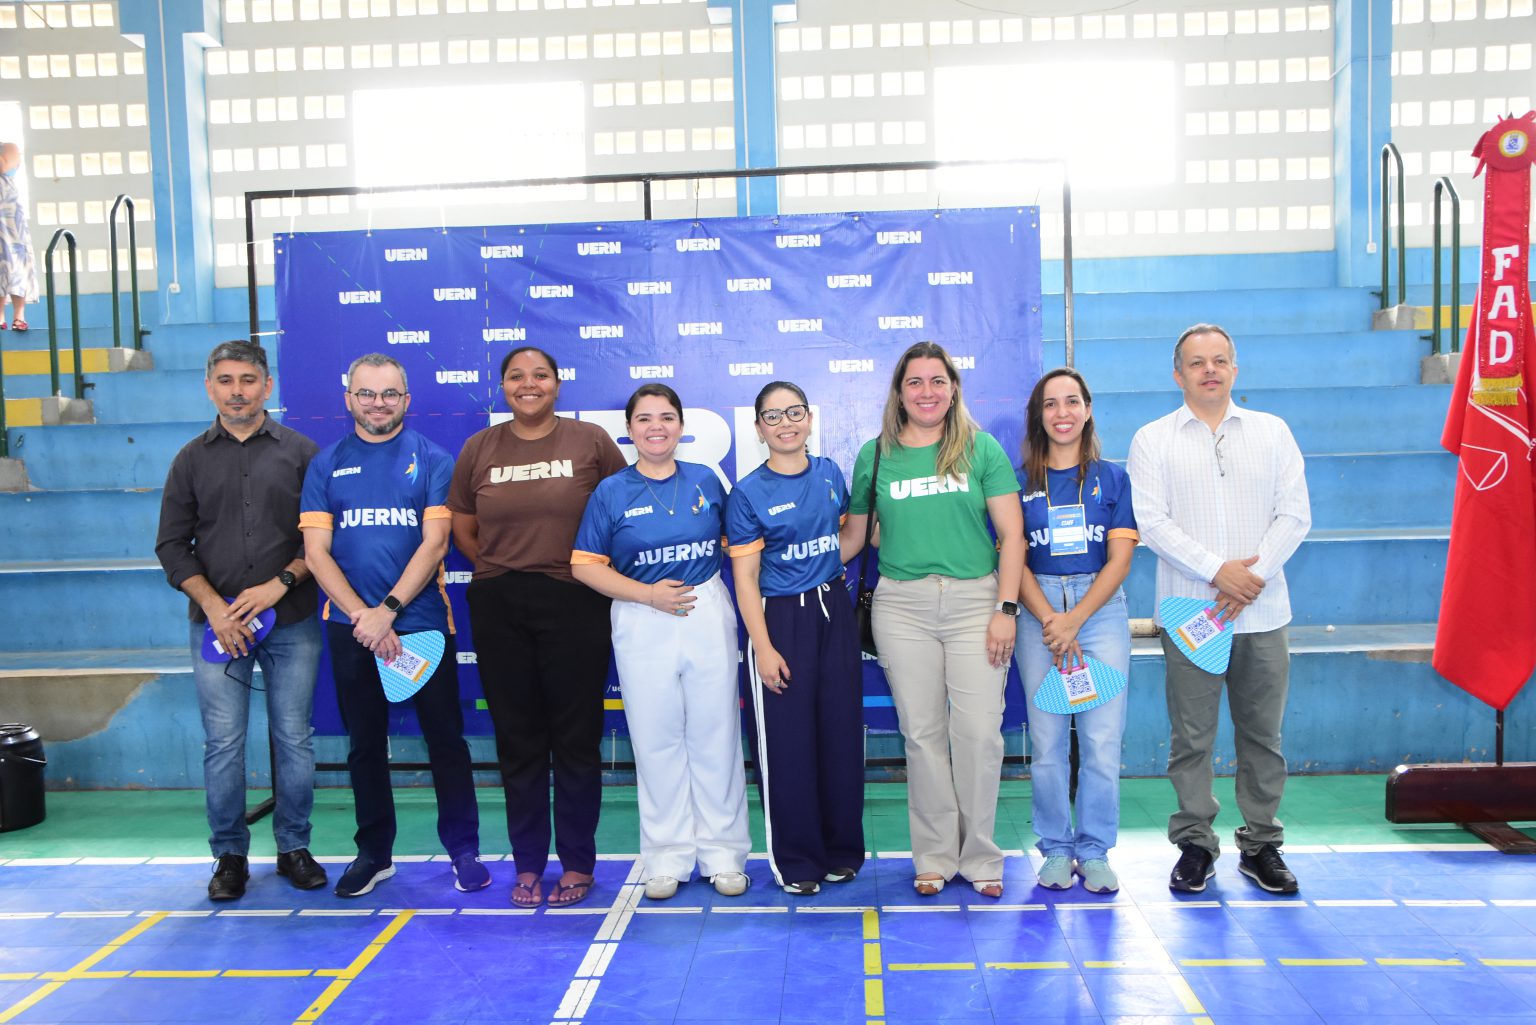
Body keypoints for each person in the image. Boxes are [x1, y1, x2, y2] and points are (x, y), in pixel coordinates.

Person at [1127, 323, 1311, 895]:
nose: (1209, 370)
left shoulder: (1272, 432)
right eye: (1197, 362)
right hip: (1191, 613)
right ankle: (1195, 844)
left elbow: (1295, 515)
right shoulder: (1152, 440)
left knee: (1263, 736)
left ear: (1235, 368)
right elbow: (1152, 523)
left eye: (1219, 360)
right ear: (1177, 374)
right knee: (1192, 738)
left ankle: (1261, 845)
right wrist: (1217, 572)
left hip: (1263, 612)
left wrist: (1249, 580)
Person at [300, 353, 487, 898]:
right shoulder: (326, 464)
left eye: (388, 394)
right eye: (366, 393)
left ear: (406, 400)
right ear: (348, 399)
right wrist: (366, 617)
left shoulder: (432, 459)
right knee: (364, 744)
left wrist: (388, 610)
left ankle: (464, 850)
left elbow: (435, 544)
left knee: (445, 740)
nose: (377, 403)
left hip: (422, 624)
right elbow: (316, 553)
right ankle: (374, 854)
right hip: (351, 628)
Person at [843, 342, 1024, 898]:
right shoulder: (875, 455)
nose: (927, 392)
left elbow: (1012, 535)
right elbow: (858, 536)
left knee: (979, 734)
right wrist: (779, 567)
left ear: (953, 389)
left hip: (977, 603)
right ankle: (935, 857)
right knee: (922, 736)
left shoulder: (980, 448)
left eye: (937, 381)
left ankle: (980, 856)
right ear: (899, 393)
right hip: (902, 607)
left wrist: (1006, 609)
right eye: (915, 382)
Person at [448, 346, 626, 908]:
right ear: (503, 386)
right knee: (518, 739)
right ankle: (527, 864)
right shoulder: (479, 448)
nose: (529, 384)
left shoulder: (590, 441)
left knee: (575, 739)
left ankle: (576, 864)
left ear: (557, 384)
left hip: (575, 599)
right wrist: (501, 568)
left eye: (540, 375)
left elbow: (620, 512)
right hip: (499, 601)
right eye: (516, 376)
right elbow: (464, 528)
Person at [155, 340, 326, 901]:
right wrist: (214, 608)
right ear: (209, 387)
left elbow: (322, 539)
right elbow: (172, 545)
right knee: (223, 743)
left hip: (292, 619)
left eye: (247, 380)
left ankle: (294, 847)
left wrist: (280, 584)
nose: (237, 391)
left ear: (267, 386)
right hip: (217, 627)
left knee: (293, 738)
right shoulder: (189, 460)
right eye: (225, 381)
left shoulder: (303, 454)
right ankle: (229, 856)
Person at [572, 384, 751, 900]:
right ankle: (666, 857)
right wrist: (648, 594)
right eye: (645, 418)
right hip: (640, 614)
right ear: (629, 430)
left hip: (705, 608)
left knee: (716, 734)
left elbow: (737, 545)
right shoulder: (611, 491)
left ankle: (723, 854)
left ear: (680, 426)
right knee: (655, 739)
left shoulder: (706, 480)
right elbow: (584, 565)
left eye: (667, 417)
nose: (657, 427)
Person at [726, 382, 865, 896]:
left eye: (794, 412)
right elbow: (745, 578)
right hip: (779, 619)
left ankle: (842, 851)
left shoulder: (829, 473)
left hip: (834, 610)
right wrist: (763, 647)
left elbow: (848, 537)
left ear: (809, 418)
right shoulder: (747, 493)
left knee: (840, 735)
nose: (785, 423)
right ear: (758, 428)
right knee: (787, 746)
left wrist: (823, 567)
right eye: (773, 416)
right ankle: (798, 861)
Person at [1014, 368, 1137, 894]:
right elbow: (1012, 559)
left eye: (1072, 402)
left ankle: (1094, 849)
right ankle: (1056, 848)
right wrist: (1051, 619)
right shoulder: (1018, 481)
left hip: (1099, 611)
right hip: (1038, 610)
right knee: (1046, 744)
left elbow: (1120, 559)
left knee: (1101, 741)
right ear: (1038, 416)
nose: (1061, 413)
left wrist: (1075, 618)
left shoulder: (1113, 478)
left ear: (1087, 410)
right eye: (1050, 404)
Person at [0, 141, 36, 332]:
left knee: (15, 262)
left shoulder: (8, 148)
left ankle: (18, 316)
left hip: (9, 216)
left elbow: (4, 166)